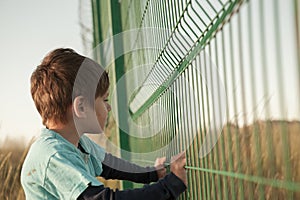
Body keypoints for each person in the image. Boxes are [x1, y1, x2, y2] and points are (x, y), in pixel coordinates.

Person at [21, 48, 187, 200]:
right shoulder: (52, 156)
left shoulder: (76, 142)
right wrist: (171, 186)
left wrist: (150, 173)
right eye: (104, 99)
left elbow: (110, 166)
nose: (108, 107)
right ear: (81, 107)